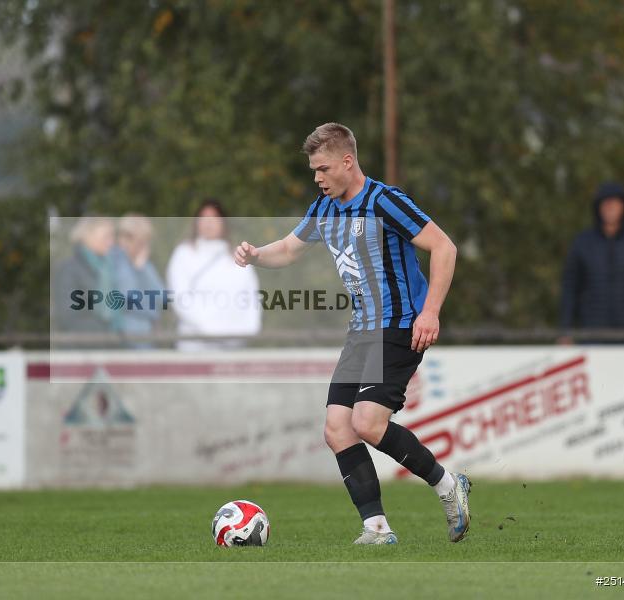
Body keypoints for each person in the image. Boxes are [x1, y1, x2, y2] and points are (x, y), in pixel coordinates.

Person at [234, 123, 468, 545]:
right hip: (362, 330)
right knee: (337, 428)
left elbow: (444, 247)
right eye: (313, 171)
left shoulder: (386, 201)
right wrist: (255, 256)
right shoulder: (324, 208)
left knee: (367, 422)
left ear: (347, 161)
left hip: (399, 325)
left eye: (323, 168)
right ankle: (376, 528)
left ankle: (448, 486)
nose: (317, 178)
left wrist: (430, 311)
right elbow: (288, 249)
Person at [560, 182, 624, 339]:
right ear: (598, 207)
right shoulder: (582, 243)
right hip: (591, 335)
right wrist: (566, 329)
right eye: (605, 203)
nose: (610, 208)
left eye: (615, 203)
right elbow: (570, 286)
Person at [167, 200, 262, 351]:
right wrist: (211, 330)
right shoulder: (183, 254)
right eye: (204, 217)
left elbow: (252, 298)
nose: (209, 223)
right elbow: (179, 298)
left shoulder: (238, 256)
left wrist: (248, 330)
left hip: (234, 348)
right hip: (194, 347)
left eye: (214, 217)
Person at [53, 217, 119, 336]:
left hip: (110, 343)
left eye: (112, 237)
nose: (111, 242)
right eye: (106, 237)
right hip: (82, 346)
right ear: (87, 236)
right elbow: (67, 315)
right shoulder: (69, 269)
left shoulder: (110, 268)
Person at [111, 214, 165, 347]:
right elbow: (128, 299)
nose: (144, 246)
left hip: (147, 336)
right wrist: (151, 311)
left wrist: (141, 269)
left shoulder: (144, 264)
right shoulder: (116, 261)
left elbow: (162, 298)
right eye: (141, 240)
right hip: (127, 336)